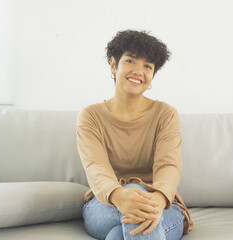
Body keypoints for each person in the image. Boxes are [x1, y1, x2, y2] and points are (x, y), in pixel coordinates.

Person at [76, 30, 193, 240]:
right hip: (105, 204)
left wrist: (155, 200)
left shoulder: (165, 114)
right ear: (113, 65)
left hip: (159, 204)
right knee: (133, 196)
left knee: (119, 235)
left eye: (148, 66)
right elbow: (96, 167)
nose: (139, 71)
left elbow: (169, 165)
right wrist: (120, 195)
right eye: (130, 61)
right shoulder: (90, 116)